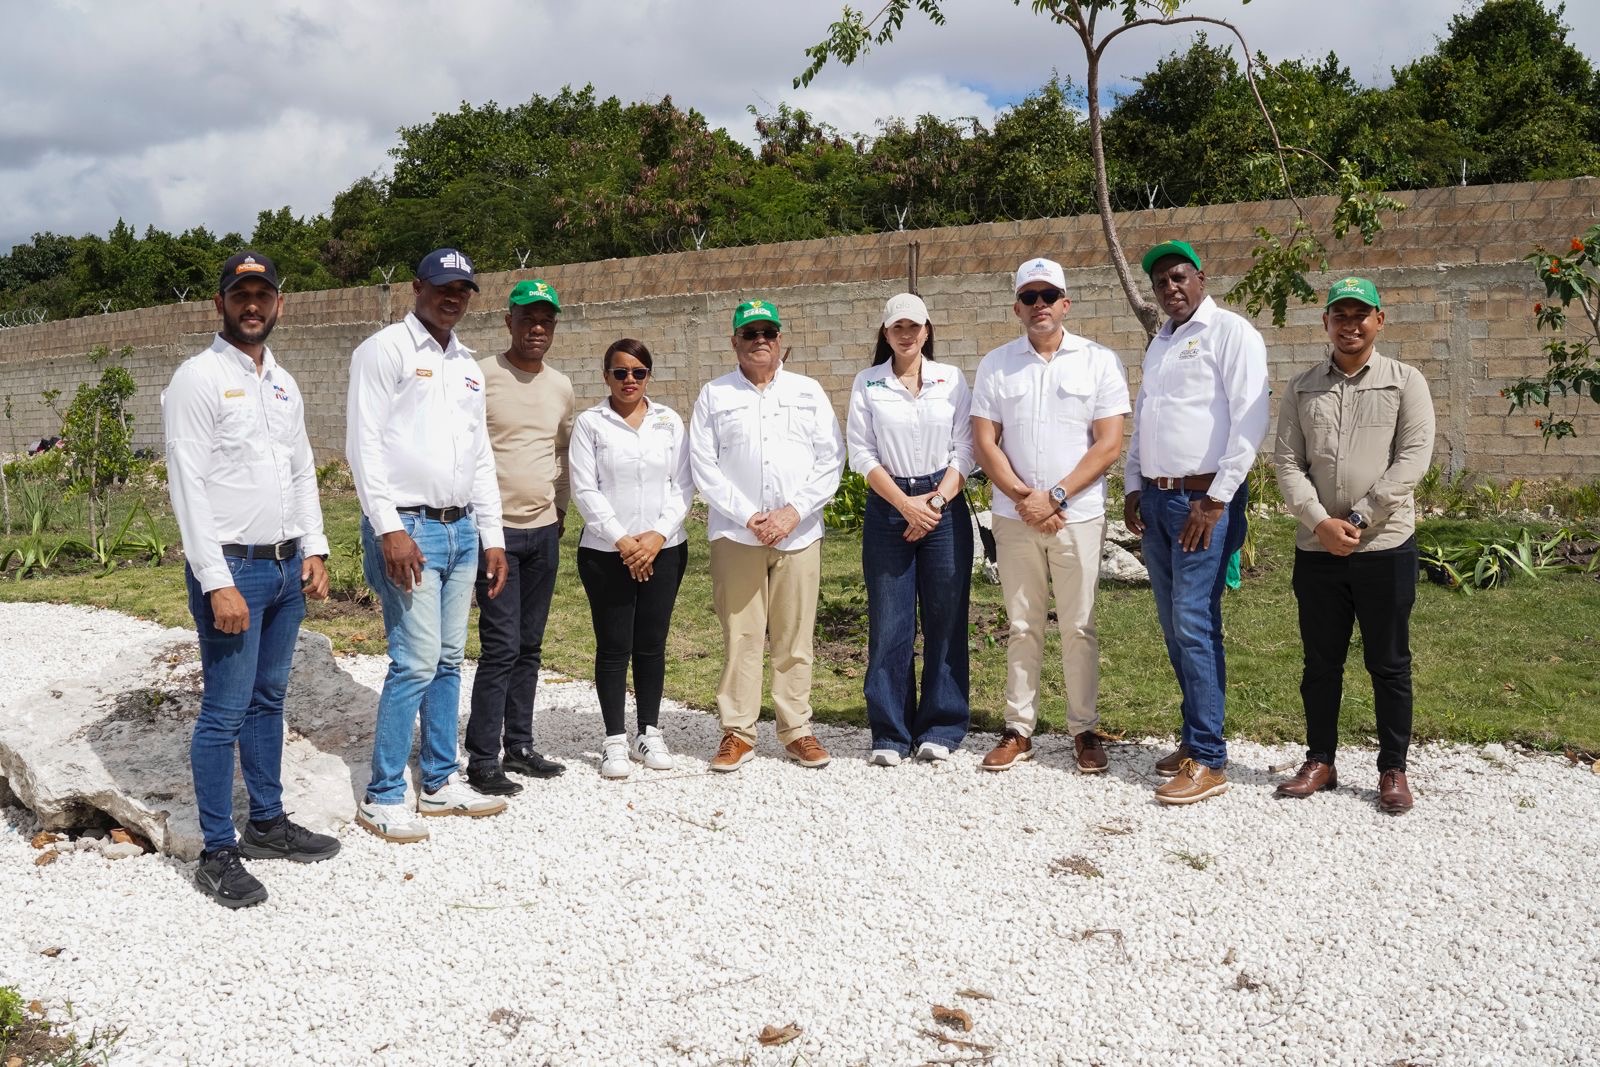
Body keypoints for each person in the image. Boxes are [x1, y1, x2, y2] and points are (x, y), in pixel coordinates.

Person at [163, 250, 338, 908]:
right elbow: (187, 486)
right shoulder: (198, 379)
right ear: (221, 304)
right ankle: (216, 851)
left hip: (286, 567)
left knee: (268, 700)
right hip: (233, 568)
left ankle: (266, 822)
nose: (253, 305)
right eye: (241, 295)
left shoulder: (283, 384)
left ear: (279, 303)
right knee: (224, 711)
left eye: (263, 294)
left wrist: (314, 547)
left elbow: (300, 468)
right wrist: (215, 580)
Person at [346, 247, 510, 843]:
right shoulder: (385, 350)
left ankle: (439, 782)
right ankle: (384, 793)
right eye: (443, 287)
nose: (453, 298)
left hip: (461, 528)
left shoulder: (466, 364)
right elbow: (363, 444)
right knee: (414, 660)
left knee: (447, 659)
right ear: (417, 287)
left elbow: (480, 454)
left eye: (463, 289)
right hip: (409, 528)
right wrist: (388, 528)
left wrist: (491, 535)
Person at [1273, 277, 1435, 814]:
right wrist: (1320, 522)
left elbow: (1412, 458)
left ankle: (1393, 768)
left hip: (1384, 546)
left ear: (1378, 321)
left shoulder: (1405, 382)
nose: (1350, 325)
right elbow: (1288, 463)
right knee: (1321, 663)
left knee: (1388, 663)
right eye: (1339, 315)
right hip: (1317, 550)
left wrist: (1361, 516)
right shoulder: (1302, 388)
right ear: (1326, 323)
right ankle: (1320, 760)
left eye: (1360, 315)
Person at [1123, 239, 1269, 805]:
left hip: (1201, 503)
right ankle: (1193, 739)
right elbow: (1146, 420)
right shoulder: (1161, 342)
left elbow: (1250, 419)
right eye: (1160, 282)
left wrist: (1217, 499)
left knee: (1193, 620)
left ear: (1201, 278)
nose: (1170, 288)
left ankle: (1208, 757)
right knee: (1173, 623)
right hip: (1159, 502)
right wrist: (1134, 486)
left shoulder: (1231, 333)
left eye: (1179, 277)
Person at [971, 258, 1131, 773]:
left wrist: (1056, 496)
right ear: (1016, 308)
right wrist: (1027, 498)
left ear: (1066, 303)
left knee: (1079, 626)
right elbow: (985, 442)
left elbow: (1108, 444)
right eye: (1029, 297)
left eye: (1048, 296)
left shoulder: (1099, 361)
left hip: (1077, 517)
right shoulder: (996, 365)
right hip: (1015, 516)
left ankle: (1084, 729)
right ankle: (1019, 729)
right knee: (1022, 625)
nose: (1039, 305)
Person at [688, 299, 845, 772]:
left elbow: (831, 458)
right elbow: (704, 464)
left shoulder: (808, 391)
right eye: (750, 333)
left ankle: (797, 730)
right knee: (742, 635)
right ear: (734, 341)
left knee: (795, 637)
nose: (760, 340)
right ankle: (737, 732)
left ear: (780, 340)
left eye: (768, 332)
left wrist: (793, 513)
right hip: (737, 535)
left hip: (799, 533)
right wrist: (750, 517)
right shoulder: (714, 395)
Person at [845, 293, 974, 765]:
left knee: (946, 618)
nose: (906, 334)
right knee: (890, 620)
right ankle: (891, 732)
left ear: (926, 331)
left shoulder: (951, 380)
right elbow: (861, 453)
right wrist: (904, 504)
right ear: (885, 333)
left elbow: (966, 448)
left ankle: (942, 726)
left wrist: (934, 503)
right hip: (888, 506)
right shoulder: (868, 383)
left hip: (944, 504)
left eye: (913, 326)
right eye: (897, 327)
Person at [462, 279, 574, 795]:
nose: (537, 328)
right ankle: (483, 758)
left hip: (543, 531)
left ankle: (520, 746)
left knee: (530, 645)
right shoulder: (481, 376)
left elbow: (561, 452)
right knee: (501, 646)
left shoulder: (561, 386)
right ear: (509, 321)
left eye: (546, 320)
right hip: (496, 535)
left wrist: (561, 510)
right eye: (528, 318)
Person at [569, 339, 692, 778]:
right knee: (613, 646)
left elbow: (683, 484)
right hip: (607, 553)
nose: (629, 380)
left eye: (638, 372)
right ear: (606, 376)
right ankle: (614, 740)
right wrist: (624, 542)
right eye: (620, 372)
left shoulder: (668, 421)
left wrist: (656, 537)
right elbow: (585, 489)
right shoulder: (590, 423)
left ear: (648, 376)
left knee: (651, 644)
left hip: (665, 549)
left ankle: (649, 732)